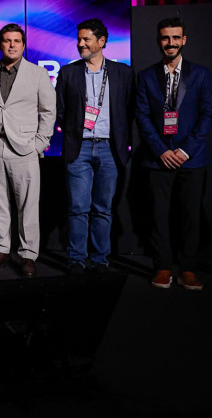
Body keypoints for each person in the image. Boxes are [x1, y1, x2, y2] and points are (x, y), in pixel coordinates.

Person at [134, 16, 212, 290]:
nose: (171, 42)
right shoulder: (146, 76)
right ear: (159, 41)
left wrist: (185, 150)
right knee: (158, 216)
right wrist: (161, 151)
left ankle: (188, 268)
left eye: (175, 37)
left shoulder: (201, 74)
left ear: (184, 40)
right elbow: (142, 116)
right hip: (157, 159)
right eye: (166, 38)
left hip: (192, 158)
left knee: (191, 216)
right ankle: (163, 267)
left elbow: (207, 115)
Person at [55, 19, 134, 274]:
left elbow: (130, 110)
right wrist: (73, 132)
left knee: (103, 209)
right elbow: (61, 110)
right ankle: (77, 259)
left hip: (110, 149)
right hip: (79, 149)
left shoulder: (123, 73)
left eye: (86, 39)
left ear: (101, 41)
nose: (81, 44)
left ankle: (100, 259)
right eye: (79, 39)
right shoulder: (68, 72)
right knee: (78, 208)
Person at [0, 23, 55, 278]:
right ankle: (0, 250)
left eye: (16, 41)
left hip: (24, 148)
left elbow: (48, 111)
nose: (12, 45)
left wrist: (39, 144)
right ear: (0, 44)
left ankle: (28, 254)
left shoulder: (38, 73)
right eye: (7, 41)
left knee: (27, 204)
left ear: (23, 44)